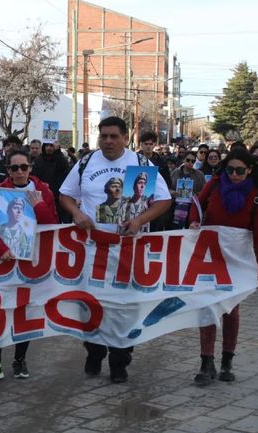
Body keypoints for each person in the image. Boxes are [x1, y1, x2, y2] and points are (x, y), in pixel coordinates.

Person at [59, 116, 171, 383]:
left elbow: (164, 200)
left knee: (124, 308)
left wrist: (140, 220)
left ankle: (120, 360)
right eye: (104, 136)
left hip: (128, 249)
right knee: (90, 305)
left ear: (124, 138)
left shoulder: (141, 163)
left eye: (114, 136)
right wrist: (75, 212)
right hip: (91, 249)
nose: (108, 141)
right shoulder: (86, 162)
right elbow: (64, 194)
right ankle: (94, 352)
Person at [0, 149, 58, 381]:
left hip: (32, 262)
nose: (19, 172)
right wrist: (0, 249)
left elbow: (52, 225)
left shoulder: (44, 191)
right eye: (14, 168)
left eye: (24, 167)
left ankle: (20, 360)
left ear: (31, 168)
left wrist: (39, 205)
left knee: (25, 309)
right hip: (3, 261)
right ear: (8, 170)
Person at [187, 148, 258, 386]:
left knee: (231, 310)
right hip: (211, 256)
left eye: (240, 171)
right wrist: (194, 219)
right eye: (230, 169)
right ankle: (206, 362)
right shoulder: (214, 184)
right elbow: (196, 203)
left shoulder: (256, 197)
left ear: (249, 170)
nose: (234, 175)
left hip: (237, 259)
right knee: (208, 307)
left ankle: (227, 361)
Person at [32, 140, 71, 222]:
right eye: (47, 146)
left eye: (51, 146)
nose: (49, 148)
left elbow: (64, 167)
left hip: (57, 196)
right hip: (42, 196)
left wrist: (58, 151)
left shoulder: (60, 159)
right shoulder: (38, 160)